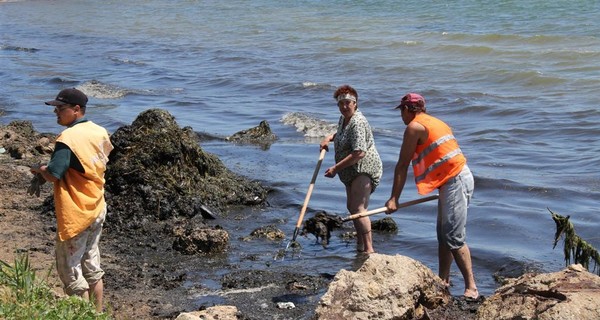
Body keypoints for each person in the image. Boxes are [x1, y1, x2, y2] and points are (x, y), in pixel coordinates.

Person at [384, 92, 478, 299]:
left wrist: (394, 199)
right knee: (443, 235)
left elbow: (402, 165)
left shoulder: (414, 127)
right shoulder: (435, 121)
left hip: (456, 180)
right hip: (455, 179)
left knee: (453, 236)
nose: (401, 115)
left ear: (408, 110)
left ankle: (471, 288)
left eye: (402, 111)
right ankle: (443, 281)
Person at [29, 88, 113, 312]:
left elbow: (54, 174)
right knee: (92, 264)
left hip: (76, 209)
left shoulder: (68, 138)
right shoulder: (99, 131)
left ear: (76, 110)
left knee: (71, 270)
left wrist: (39, 170)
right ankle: (97, 313)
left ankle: (81, 316)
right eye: (55, 108)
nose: (56, 112)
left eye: (60, 108)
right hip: (97, 204)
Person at [320, 85, 383, 254]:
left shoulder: (358, 122)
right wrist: (328, 138)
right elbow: (341, 134)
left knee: (359, 208)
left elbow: (359, 152)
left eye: (348, 103)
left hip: (363, 168)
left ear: (355, 103)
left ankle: (369, 249)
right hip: (350, 171)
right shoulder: (344, 119)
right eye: (341, 104)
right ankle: (360, 244)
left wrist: (335, 168)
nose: (344, 107)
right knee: (352, 207)